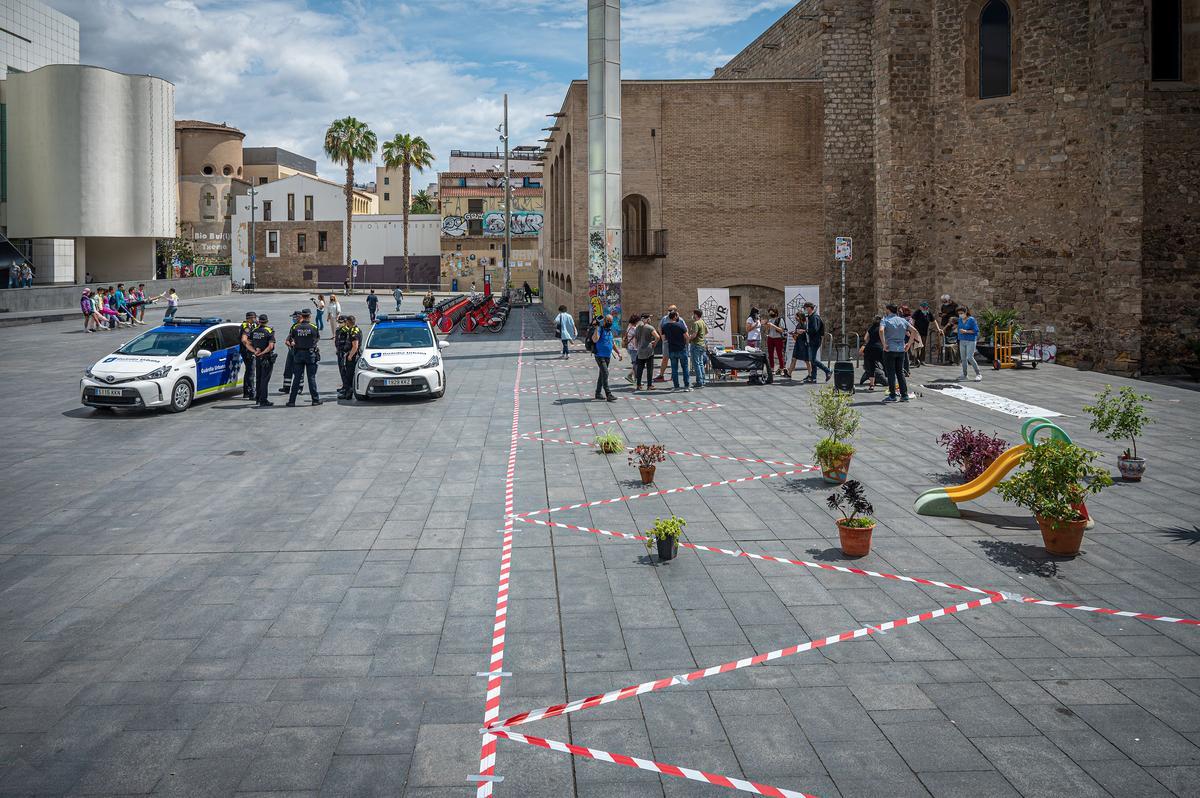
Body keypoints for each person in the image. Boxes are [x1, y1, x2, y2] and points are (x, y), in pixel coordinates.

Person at [880, 303, 918, 403]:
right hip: (901, 349)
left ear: (888, 310)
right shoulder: (903, 320)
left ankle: (892, 395)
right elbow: (914, 331)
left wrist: (884, 344)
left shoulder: (885, 320)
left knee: (891, 373)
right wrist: (908, 344)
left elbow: (881, 330)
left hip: (890, 349)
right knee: (900, 372)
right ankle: (904, 395)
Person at [286, 308, 322, 406]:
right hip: (310, 354)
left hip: (298, 354)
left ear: (302, 316)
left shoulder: (295, 327)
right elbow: (317, 338)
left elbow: (289, 339)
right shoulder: (313, 327)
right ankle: (315, 400)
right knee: (311, 378)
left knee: (297, 378)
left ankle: (291, 401)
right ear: (309, 316)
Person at [591, 314, 621, 401]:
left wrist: (618, 352)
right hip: (600, 356)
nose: (609, 322)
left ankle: (598, 393)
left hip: (607, 356)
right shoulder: (600, 329)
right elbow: (595, 340)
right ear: (604, 321)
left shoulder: (609, 331)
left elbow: (612, 343)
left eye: (611, 321)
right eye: (608, 321)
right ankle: (608, 394)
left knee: (602, 375)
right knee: (605, 373)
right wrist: (596, 328)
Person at [248, 314, 276, 406]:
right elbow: (271, 346)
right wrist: (263, 352)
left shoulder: (254, 331)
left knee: (258, 378)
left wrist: (255, 351)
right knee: (265, 379)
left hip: (257, 357)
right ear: (267, 321)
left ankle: (258, 399)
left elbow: (248, 343)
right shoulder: (269, 331)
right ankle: (263, 400)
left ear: (259, 321)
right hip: (266, 358)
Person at [660, 308, 690, 391]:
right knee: (685, 368)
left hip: (672, 349)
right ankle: (686, 386)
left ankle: (676, 386)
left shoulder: (665, 326)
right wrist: (686, 344)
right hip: (681, 348)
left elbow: (664, 338)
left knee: (674, 369)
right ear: (675, 317)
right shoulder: (680, 325)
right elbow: (687, 337)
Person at [802, 302, 831, 383]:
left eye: (805, 308)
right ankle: (814, 377)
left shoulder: (814, 317)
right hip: (812, 340)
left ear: (809, 308)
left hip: (815, 340)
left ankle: (827, 370)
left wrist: (805, 331)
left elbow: (815, 329)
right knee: (812, 360)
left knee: (813, 360)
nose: (804, 310)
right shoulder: (811, 316)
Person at [336, 315, 362, 399]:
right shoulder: (353, 329)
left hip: (352, 356)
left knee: (348, 375)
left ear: (348, 321)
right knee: (348, 374)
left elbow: (355, 346)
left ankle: (348, 393)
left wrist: (350, 356)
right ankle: (347, 392)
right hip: (351, 354)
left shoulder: (353, 331)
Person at [633, 313, 660, 391]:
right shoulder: (650, 327)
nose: (650, 320)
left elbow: (635, 340)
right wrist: (654, 342)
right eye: (649, 318)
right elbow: (657, 337)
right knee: (649, 368)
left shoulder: (637, 328)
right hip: (648, 350)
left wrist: (637, 347)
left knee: (640, 368)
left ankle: (638, 385)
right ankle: (649, 385)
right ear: (647, 319)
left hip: (640, 350)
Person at [956, 306, 983, 382]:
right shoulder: (960, 320)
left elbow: (976, 331)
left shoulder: (971, 320)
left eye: (961, 313)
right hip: (962, 340)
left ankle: (978, 374)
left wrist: (966, 331)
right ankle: (965, 375)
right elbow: (959, 329)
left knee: (970, 357)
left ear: (965, 313)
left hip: (971, 341)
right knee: (963, 359)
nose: (960, 315)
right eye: (959, 314)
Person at [858, 316, 885, 391]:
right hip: (879, 348)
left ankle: (871, 385)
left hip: (869, 348)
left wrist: (870, 342)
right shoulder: (882, 328)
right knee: (886, 365)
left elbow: (865, 338)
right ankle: (891, 383)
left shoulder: (871, 328)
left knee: (871, 367)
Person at [654, 304, 678, 383]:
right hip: (666, 342)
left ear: (675, 311)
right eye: (668, 310)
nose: (669, 312)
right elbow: (659, 327)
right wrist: (662, 336)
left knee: (674, 358)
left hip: (675, 342)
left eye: (670, 310)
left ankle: (674, 375)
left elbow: (684, 329)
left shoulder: (679, 319)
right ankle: (661, 375)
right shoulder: (664, 318)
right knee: (665, 358)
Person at [784, 310, 808, 379]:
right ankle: (789, 373)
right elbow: (796, 336)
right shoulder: (799, 324)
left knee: (807, 360)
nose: (795, 318)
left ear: (800, 317)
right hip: (798, 344)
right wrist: (794, 334)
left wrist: (794, 334)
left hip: (802, 344)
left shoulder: (803, 325)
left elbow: (803, 335)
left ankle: (810, 374)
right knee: (794, 359)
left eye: (796, 316)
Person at [239, 312, 258, 399]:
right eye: (254, 318)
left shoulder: (250, 325)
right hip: (248, 352)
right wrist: (252, 349)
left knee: (248, 371)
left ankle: (246, 391)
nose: (256, 319)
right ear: (250, 318)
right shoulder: (246, 326)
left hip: (246, 351)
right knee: (251, 372)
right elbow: (244, 340)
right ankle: (252, 392)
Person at [689, 309, 708, 389]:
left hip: (696, 345)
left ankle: (699, 382)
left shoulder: (696, 323)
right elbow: (706, 331)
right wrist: (701, 337)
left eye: (693, 314)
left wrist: (688, 339)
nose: (693, 315)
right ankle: (702, 380)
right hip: (702, 345)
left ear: (696, 315)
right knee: (700, 363)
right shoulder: (702, 322)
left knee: (696, 363)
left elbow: (694, 335)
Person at [763, 307, 786, 376]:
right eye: (769, 312)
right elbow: (767, 331)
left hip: (778, 338)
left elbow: (781, 330)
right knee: (770, 354)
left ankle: (782, 369)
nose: (770, 313)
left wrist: (773, 325)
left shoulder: (780, 319)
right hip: (770, 338)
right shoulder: (769, 320)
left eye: (772, 312)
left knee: (779, 354)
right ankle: (772, 369)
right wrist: (766, 326)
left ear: (775, 312)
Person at [911, 301, 933, 367]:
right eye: (923, 308)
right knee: (916, 346)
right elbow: (913, 320)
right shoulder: (917, 312)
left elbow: (934, 320)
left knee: (923, 346)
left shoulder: (928, 313)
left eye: (926, 308)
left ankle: (922, 360)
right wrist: (912, 329)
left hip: (924, 332)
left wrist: (938, 329)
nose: (924, 309)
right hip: (917, 332)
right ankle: (914, 360)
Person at [623, 315, 640, 383]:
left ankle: (632, 377)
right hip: (634, 348)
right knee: (636, 364)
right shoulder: (634, 328)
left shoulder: (629, 326)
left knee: (636, 364)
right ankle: (635, 379)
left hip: (630, 347)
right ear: (636, 321)